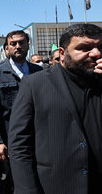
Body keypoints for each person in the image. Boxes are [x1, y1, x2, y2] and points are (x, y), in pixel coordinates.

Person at [8, 24, 102, 194]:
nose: (96, 53)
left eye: (100, 47)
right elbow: (20, 146)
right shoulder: (34, 85)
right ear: (62, 53)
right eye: (85, 48)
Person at [0, 30, 43, 193]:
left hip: (38, 139)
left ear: (28, 46)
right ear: (6, 49)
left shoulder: (39, 72)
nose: (18, 46)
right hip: (10, 141)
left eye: (21, 42)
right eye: (13, 43)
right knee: (10, 184)